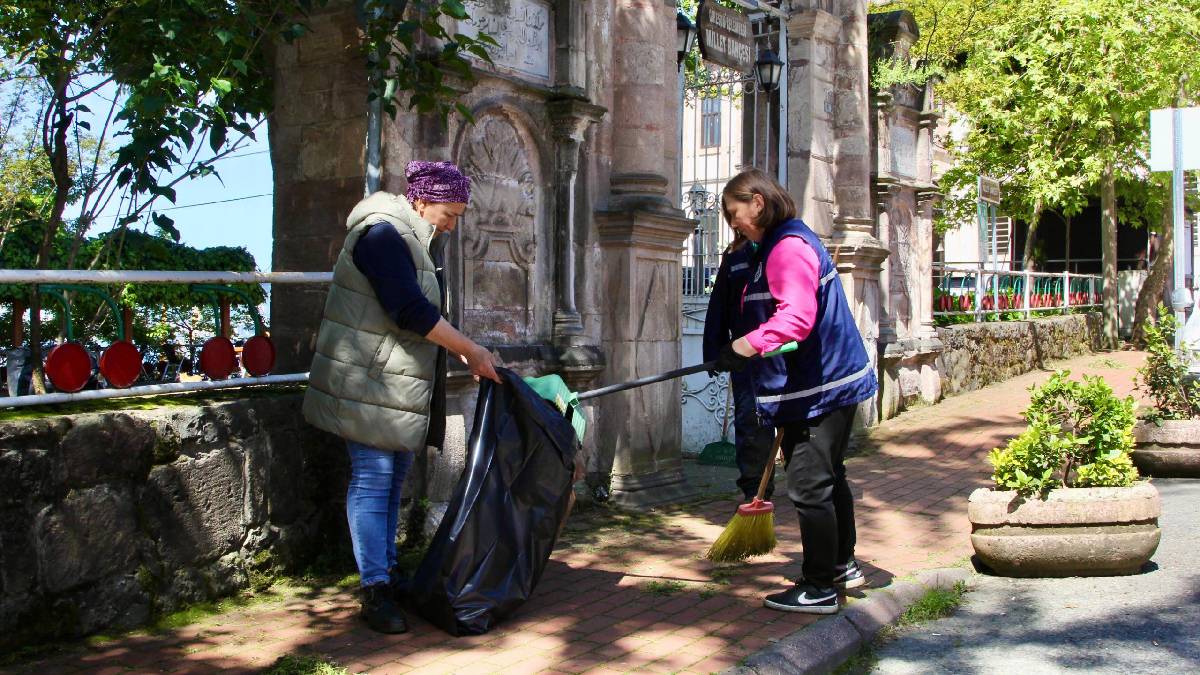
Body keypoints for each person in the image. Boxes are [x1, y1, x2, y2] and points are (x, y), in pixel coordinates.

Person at [303, 160, 502, 634]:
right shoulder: (381, 236)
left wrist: (464, 354)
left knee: (393, 481)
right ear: (421, 200)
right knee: (373, 479)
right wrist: (471, 351)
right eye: (449, 214)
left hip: (392, 383)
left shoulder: (418, 238)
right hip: (369, 381)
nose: (453, 224)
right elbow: (409, 310)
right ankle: (375, 589)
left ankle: (388, 574)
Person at [711, 168, 878, 615]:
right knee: (828, 477)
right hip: (823, 384)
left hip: (821, 387)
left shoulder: (787, 248)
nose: (733, 224)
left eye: (734, 213)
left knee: (808, 486)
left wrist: (741, 346)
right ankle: (839, 566)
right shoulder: (782, 243)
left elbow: (795, 319)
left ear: (758, 203)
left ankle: (820, 587)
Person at [703, 233, 776, 502]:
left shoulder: (782, 247)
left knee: (793, 421)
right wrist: (714, 350)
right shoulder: (735, 255)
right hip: (745, 357)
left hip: (784, 353)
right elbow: (720, 303)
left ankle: (806, 481)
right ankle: (754, 491)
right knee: (750, 420)